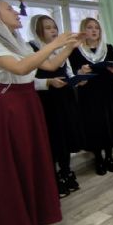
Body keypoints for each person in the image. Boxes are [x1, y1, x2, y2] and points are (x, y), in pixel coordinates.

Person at [0, 0, 82, 225]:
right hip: (7, 106)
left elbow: (50, 65)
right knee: (15, 164)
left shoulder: (15, 40)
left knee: (31, 161)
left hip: (27, 102)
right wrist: (55, 43)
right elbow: (20, 68)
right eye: (9, 8)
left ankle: (33, 218)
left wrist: (69, 47)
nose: (15, 12)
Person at [28, 15, 85, 198]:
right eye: (48, 28)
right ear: (38, 31)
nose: (53, 30)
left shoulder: (61, 50)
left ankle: (66, 171)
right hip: (47, 100)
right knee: (52, 138)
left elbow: (68, 72)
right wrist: (48, 82)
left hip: (65, 97)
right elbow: (28, 79)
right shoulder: (31, 48)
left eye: (54, 27)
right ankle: (52, 177)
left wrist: (78, 79)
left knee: (65, 136)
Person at [69, 18, 113, 176]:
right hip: (88, 94)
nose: (94, 30)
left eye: (96, 28)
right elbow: (72, 74)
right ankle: (98, 158)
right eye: (89, 27)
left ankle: (109, 157)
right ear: (83, 30)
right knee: (94, 125)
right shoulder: (76, 51)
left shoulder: (108, 48)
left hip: (107, 92)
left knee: (108, 124)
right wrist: (80, 72)